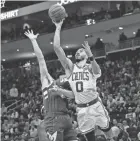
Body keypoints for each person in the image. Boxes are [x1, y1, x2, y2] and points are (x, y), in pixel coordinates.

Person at [52, 20, 114, 141]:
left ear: (86, 55)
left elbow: (97, 71)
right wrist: (58, 27)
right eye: (77, 52)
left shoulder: (90, 67)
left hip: (95, 104)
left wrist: (91, 56)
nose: (78, 52)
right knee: (90, 138)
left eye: (80, 50)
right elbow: (56, 48)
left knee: (108, 133)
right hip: (81, 109)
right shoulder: (70, 68)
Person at [24, 30, 77, 141]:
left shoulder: (59, 85)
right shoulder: (45, 82)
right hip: (53, 118)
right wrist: (33, 40)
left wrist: (60, 90)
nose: (45, 71)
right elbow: (41, 59)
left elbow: (73, 95)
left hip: (66, 117)